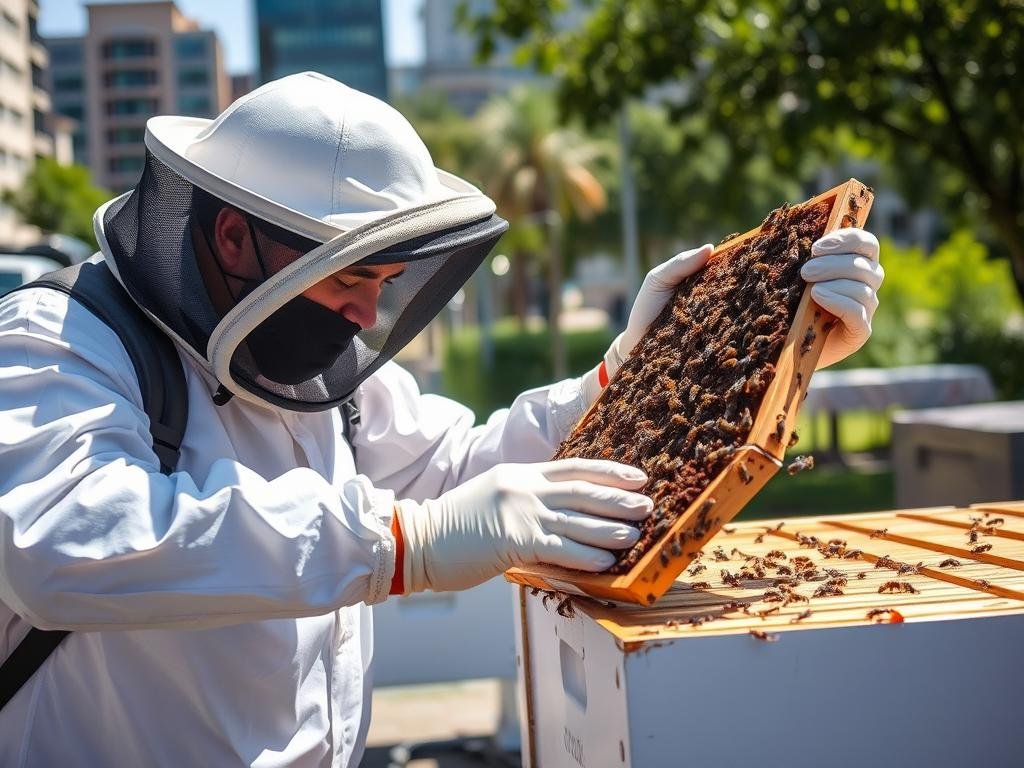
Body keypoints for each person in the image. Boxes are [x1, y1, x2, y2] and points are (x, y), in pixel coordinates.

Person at [0, 72, 883, 766]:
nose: (361, 317)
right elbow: (63, 543)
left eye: (380, 288)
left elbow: (459, 473)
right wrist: (402, 544)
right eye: (350, 278)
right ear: (237, 239)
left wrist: (641, 370)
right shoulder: (57, 344)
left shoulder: (314, 379)